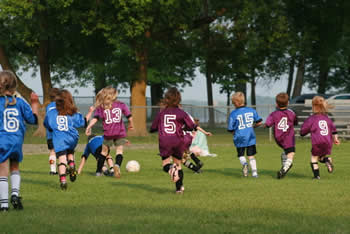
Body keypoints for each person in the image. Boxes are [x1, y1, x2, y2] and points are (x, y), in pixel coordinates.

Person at [0, 70, 39, 211]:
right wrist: (34, 104)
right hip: (17, 141)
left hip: (2, 141)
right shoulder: (21, 102)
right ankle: (15, 195)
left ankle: (4, 205)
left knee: (2, 171)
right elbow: (33, 120)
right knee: (15, 167)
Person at [44, 89, 94, 190]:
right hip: (72, 138)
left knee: (62, 159)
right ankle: (71, 164)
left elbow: (47, 124)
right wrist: (90, 112)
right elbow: (83, 123)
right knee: (70, 152)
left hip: (59, 139)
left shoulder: (51, 112)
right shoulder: (72, 112)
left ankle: (63, 179)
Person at [150, 87, 196, 194]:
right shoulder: (182, 113)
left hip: (165, 141)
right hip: (178, 141)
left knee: (166, 165)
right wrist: (184, 128)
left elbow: (153, 128)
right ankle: (179, 189)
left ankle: (171, 169)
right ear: (179, 100)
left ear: (166, 99)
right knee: (178, 165)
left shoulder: (161, 113)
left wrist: (157, 129)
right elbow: (191, 126)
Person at [85, 86, 134, 179]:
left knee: (104, 152)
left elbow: (95, 119)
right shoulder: (121, 105)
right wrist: (131, 123)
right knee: (119, 151)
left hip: (108, 133)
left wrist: (89, 126)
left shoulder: (101, 107)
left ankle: (98, 172)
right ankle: (117, 166)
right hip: (120, 132)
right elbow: (129, 116)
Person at [300, 96, 340, 179]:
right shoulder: (327, 118)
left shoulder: (312, 119)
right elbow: (334, 131)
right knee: (320, 157)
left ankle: (316, 176)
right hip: (328, 142)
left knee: (314, 158)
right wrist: (335, 139)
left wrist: (302, 133)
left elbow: (303, 130)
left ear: (313, 106)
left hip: (317, 142)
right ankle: (327, 160)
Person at [227, 92, 262, 178]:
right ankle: (254, 173)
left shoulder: (233, 114)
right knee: (251, 155)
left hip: (239, 136)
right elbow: (259, 122)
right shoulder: (252, 110)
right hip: (250, 136)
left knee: (241, 155)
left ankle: (245, 164)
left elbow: (230, 129)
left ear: (235, 103)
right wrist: (253, 126)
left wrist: (234, 134)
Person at [265, 93, 298, 179]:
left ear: (276, 103)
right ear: (288, 103)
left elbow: (268, 124)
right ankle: (284, 168)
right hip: (288, 137)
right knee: (291, 154)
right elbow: (295, 122)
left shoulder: (273, 114)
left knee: (285, 152)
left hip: (278, 138)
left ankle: (285, 165)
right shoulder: (291, 113)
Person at [44, 87, 60, 175]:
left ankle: (52, 170)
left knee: (52, 152)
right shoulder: (61, 105)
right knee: (62, 152)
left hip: (50, 133)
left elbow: (47, 119)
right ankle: (64, 168)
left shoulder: (48, 107)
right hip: (60, 133)